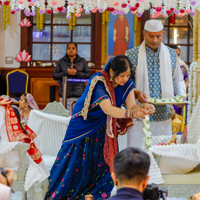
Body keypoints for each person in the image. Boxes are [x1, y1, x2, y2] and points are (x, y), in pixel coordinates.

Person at [45, 55, 155, 200]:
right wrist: (132, 113)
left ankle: (96, 196)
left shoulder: (126, 84)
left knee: (103, 162)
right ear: (112, 72)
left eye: (128, 75)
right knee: (76, 162)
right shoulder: (99, 82)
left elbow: (131, 106)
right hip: (83, 125)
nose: (125, 79)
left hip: (104, 127)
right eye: (122, 75)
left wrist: (142, 108)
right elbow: (108, 109)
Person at [126, 20, 186, 148]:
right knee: (138, 152)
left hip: (164, 114)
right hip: (140, 113)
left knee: (162, 151)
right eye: (151, 36)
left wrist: (181, 96)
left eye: (158, 36)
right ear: (144, 34)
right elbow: (126, 84)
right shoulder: (131, 55)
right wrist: (136, 94)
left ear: (163, 34)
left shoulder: (171, 54)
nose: (155, 40)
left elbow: (178, 80)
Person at [53, 42, 92, 109]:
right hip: (65, 94)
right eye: (69, 48)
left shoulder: (82, 61)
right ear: (66, 50)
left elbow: (89, 75)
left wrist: (76, 73)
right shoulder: (61, 61)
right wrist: (66, 73)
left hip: (79, 94)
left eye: (73, 48)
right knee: (64, 115)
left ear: (76, 50)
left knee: (78, 115)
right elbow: (55, 75)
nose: (71, 50)